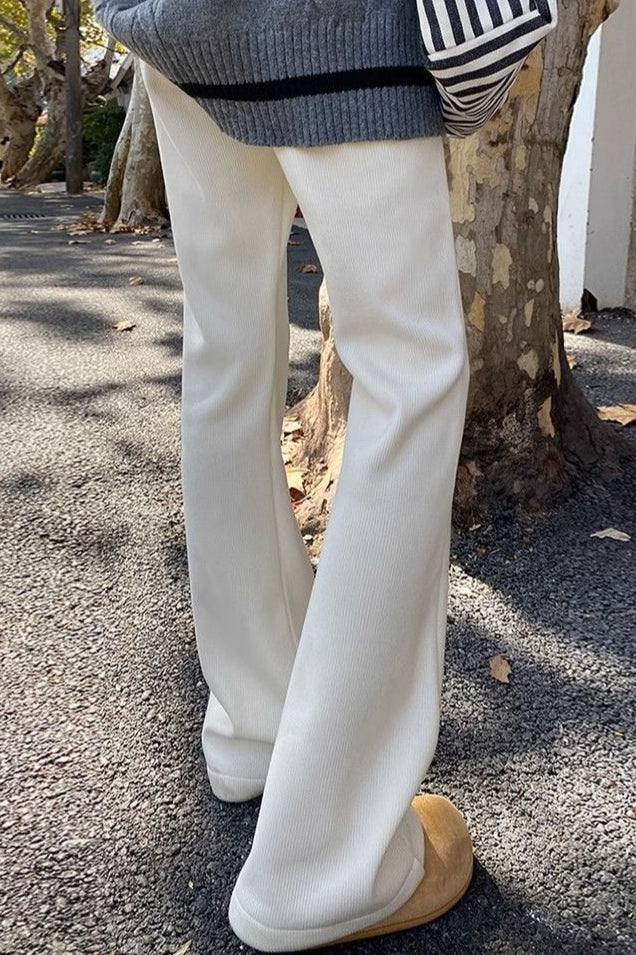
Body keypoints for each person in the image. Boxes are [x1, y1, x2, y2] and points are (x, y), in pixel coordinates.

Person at [92, 1, 474, 950]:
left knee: (227, 345)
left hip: (177, 18)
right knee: (413, 375)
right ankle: (331, 867)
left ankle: (255, 724)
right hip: (329, 22)